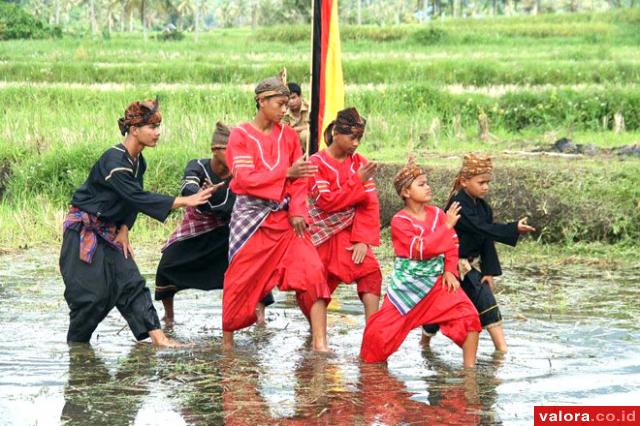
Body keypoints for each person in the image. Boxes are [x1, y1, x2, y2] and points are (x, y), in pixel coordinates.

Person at [59, 98, 213, 347]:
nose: (157, 133)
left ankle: (159, 338)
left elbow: (130, 201)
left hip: (111, 232)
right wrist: (186, 200)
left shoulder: (138, 162)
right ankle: (77, 348)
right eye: (152, 127)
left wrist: (125, 229)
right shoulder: (114, 159)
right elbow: (137, 197)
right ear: (134, 129)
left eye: (158, 126)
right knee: (91, 297)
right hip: (83, 232)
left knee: (132, 282)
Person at [222, 71, 331, 352]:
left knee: (313, 270)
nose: (285, 110)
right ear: (261, 101)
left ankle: (320, 343)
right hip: (253, 220)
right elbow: (244, 179)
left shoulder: (290, 136)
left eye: (286, 104)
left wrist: (297, 211)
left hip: (286, 219)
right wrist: (285, 173)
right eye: (279, 104)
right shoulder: (241, 135)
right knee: (240, 281)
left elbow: (300, 178)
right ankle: (227, 343)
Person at [360, 159, 481, 367]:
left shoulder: (437, 214)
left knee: (469, 317)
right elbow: (420, 250)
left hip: (437, 283)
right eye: (421, 184)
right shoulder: (400, 221)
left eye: (427, 183)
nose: (428, 187)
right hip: (407, 287)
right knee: (378, 335)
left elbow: (452, 243)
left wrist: (450, 271)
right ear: (406, 192)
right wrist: (447, 226)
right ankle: (370, 376)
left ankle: (469, 372)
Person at [154, 122, 274, 325]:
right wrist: (201, 194)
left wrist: (214, 195)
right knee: (167, 264)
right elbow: (188, 188)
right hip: (198, 230)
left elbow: (232, 206)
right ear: (216, 150)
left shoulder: (241, 174)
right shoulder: (197, 166)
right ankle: (169, 316)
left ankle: (259, 315)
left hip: (231, 231)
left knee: (255, 268)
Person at [421, 154, 536, 352]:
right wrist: (513, 228)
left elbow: (486, 238)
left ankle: (501, 350)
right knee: (440, 308)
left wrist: (488, 271)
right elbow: (482, 228)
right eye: (481, 182)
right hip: (452, 266)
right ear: (464, 182)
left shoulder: (483, 207)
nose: (486, 187)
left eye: (488, 183)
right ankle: (424, 344)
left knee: (486, 300)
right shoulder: (458, 206)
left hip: (471, 267)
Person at [301, 107, 382, 323]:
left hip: (349, 234)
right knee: (312, 288)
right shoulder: (316, 164)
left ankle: (371, 330)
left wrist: (363, 240)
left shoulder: (360, 164)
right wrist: (357, 181)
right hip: (319, 236)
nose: (356, 143)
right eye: (352, 137)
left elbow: (369, 205)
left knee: (371, 272)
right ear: (336, 133)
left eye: (359, 138)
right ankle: (316, 337)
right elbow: (327, 202)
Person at [282, 82, 310, 152]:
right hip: (293, 143)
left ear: (300, 96)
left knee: (305, 134)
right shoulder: (283, 111)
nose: (291, 101)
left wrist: (296, 129)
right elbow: (283, 129)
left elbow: (315, 126)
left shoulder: (310, 107)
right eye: (288, 99)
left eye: (293, 97)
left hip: (309, 143)